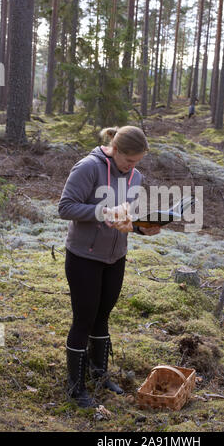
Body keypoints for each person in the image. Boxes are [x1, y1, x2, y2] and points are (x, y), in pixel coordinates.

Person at [58, 125, 160, 408]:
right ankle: (76, 387)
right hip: (83, 257)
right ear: (114, 149)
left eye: (137, 161)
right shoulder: (88, 168)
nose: (133, 167)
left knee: (103, 316)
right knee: (84, 319)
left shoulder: (135, 176)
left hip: (115, 257)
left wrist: (142, 229)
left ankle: (99, 375)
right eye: (129, 160)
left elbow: (124, 219)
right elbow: (65, 207)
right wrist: (102, 211)